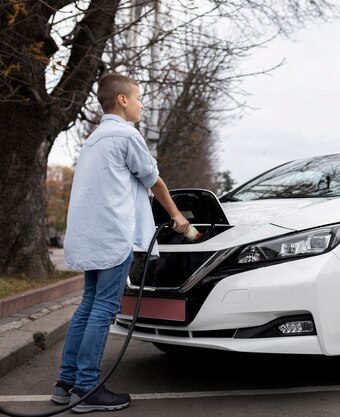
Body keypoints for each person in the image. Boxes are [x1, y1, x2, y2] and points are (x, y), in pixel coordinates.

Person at [50, 73, 190, 412]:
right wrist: (178, 216)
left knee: (88, 306)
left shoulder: (95, 139)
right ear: (123, 100)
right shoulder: (126, 135)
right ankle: (87, 389)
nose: (142, 104)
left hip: (92, 235)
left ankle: (65, 383)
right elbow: (153, 180)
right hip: (114, 236)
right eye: (139, 98)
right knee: (104, 309)